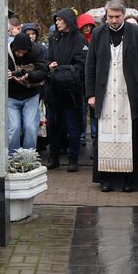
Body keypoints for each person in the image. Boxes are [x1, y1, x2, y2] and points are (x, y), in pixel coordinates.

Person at [86, 0, 138, 193]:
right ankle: (106, 179)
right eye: (110, 17)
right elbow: (90, 66)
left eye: (117, 16)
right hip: (104, 93)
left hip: (128, 94)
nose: (114, 20)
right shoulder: (98, 34)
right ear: (105, 16)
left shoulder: (137, 34)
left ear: (123, 15)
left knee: (128, 136)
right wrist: (90, 94)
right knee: (105, 135)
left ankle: (128, 180)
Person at [46, 9, 88, 171]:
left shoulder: (80, 40)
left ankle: (73, 159)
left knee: (73, 126)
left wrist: (63, 69)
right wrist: (50, 66)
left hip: (72, 91)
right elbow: (48, 60)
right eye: (56, 20)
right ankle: (53, 157)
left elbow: (83, 65)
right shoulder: (54, 38)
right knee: (53, 126)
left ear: (68, 20)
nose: (57, 23)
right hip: (54, 90)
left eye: (60, 20)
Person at [7, 32, 48, 154]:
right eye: (18, 52)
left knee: (30, 127)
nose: (20, 55)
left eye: (24, 52)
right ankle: (12, 158)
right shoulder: (5, 52)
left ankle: (28, 158)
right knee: (14, 128)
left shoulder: (38, 51)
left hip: (31, 94)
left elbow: (43, 72)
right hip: (11, 95)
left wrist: (28, 75)